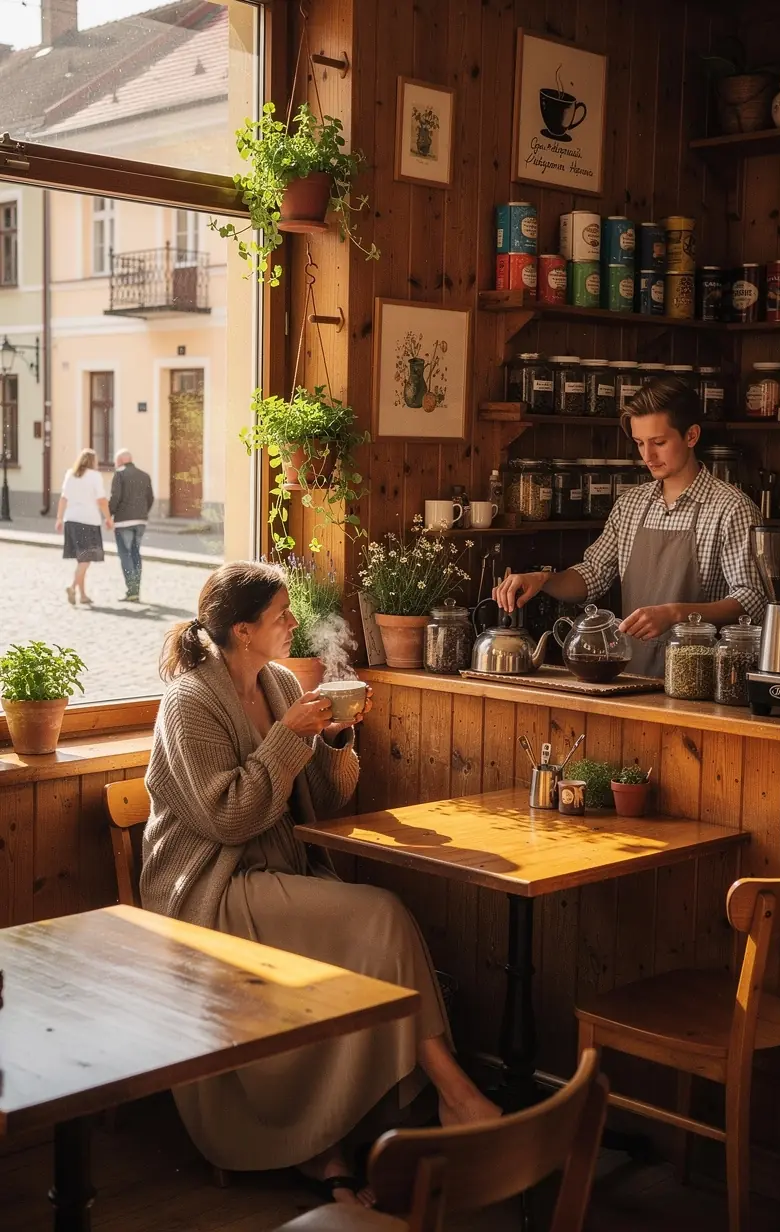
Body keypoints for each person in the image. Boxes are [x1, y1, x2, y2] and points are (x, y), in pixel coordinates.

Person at [140, 561, 499, 1206]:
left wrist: (335, 736)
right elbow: (228, 819)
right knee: (380, 914)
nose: (293, 624)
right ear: (245, 631)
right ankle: (455, 1092)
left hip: (278, 873)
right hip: (212, 889)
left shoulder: (278, 681)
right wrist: (287, 738)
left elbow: (326, 800)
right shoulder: (190, 701)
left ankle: (337, 1137)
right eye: (281, 617)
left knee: (375, 924)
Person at [495, 376, 766, 676]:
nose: (647, 456)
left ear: (691, 436)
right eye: (639, 443)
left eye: (659, 442)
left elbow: (751, 600)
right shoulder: (631, 505)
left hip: (699, 680)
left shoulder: (731, 508)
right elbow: (593, 575)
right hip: (630, 677)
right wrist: (543, 579)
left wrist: (676, 614)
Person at [55, 448, 112, 606]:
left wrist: (59, 518)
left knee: (82, 559)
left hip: (71, 520)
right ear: (93, 461)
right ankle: (72, 587)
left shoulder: (70, 474)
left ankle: (83, 595)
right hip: (88, 521)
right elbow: (101, 500)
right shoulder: (95, 476)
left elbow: (63, 498)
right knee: (85, 560)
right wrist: (108, 518)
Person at [109, 448, 154, 602]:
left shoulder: (119, 474)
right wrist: (143, 513)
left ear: (120, 461)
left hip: (123, 521)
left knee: (125, 555)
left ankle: (132, 590)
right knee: (136, 554)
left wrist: (109, 514)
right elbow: (150, 498)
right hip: (141, 521)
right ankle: (136, 589)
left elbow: (115, 497)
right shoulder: (144, 475)